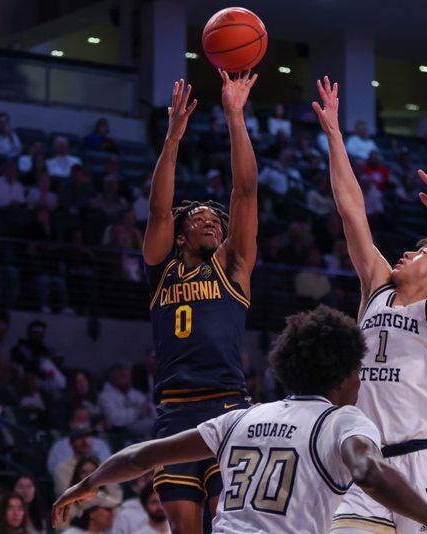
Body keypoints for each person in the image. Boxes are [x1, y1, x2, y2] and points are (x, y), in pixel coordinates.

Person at [53, 306, 427, 534]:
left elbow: (141, 456)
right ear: (343, 376)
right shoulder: (343, 422)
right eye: (357, 370)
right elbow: (369, 472)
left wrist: (86, 484)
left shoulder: (240, 418)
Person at [312, 75, 427, 534]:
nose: (406, 253)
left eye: (422, 252)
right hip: (362, 465)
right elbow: (352, 211)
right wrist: (335, 137)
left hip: (419, 462)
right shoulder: (375, 286)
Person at [140, 74, 262, 534]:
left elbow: (246, 190)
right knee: (183, 527)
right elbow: (157, 209)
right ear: (180, 232)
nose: (211, 221)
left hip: (227, 404)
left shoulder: (232, 266)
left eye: (216, 219)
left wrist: (235, 115)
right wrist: (173, 137)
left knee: (228, 522)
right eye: (199, 218)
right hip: (174, 408)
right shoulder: (161, 267)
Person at [98, 362, 156, 439]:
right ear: (112, 377)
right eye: (122, 376)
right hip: (120, 434)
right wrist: (138, 411)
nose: (127, 379)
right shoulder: (104, 397)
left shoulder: (136, 393)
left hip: (144, 431)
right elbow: (114, 419)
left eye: (128, 376)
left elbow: (151, 409)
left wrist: (149, 410)